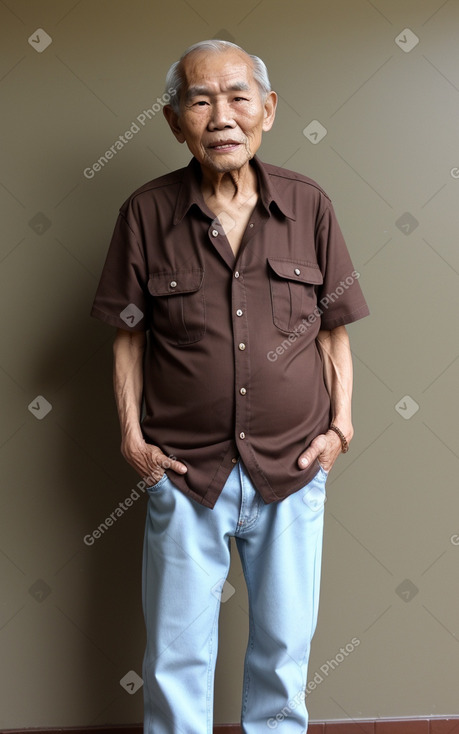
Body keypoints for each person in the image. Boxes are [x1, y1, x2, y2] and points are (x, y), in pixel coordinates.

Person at [91, 39, 369, 734]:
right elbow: (128, 334)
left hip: (293, 465)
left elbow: (333, 328)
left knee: (283, 648)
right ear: (174, 120)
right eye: (200, 99)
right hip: (183, 471)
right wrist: (133, 442)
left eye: (238, 95)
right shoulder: (145, 213)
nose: (221, 114)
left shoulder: (309, 206)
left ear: (267, 110)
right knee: (176, 654)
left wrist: (339, 429)